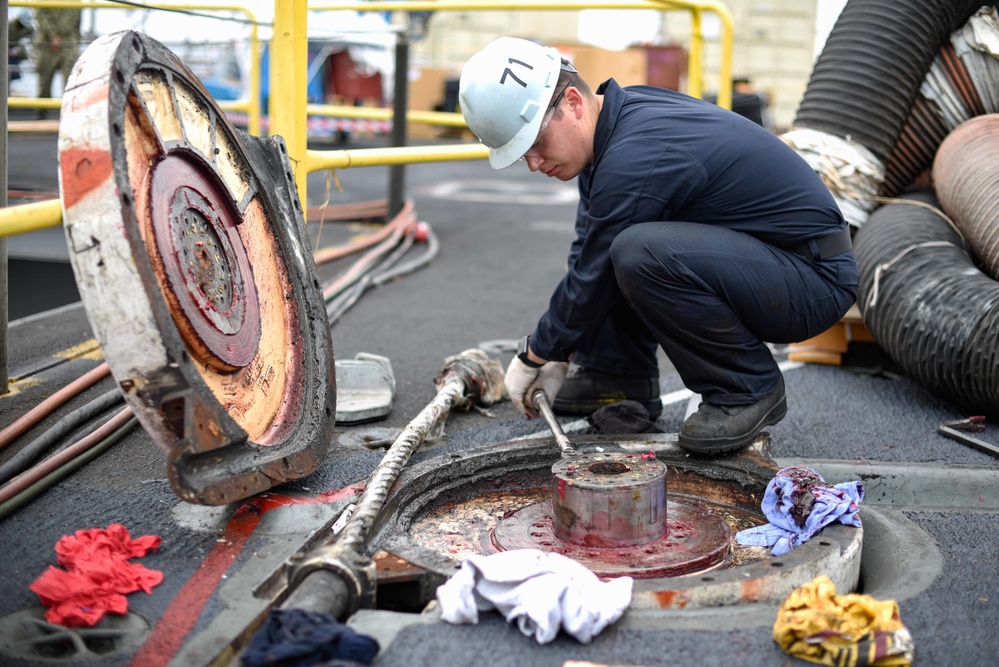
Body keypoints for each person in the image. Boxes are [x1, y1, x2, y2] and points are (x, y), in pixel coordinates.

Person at [458, 37, 857, 455]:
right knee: (619, 247)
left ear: (573, 102)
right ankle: (619, 375)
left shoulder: (635, 155)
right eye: (522, 155)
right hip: (777, 263)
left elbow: (596, 269)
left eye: (535, 144)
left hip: (811, 280)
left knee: (637, 252)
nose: (535, 163)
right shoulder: (615, 131)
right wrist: (561, 350)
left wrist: (537, 352)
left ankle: (746, 388)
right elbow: (587, 253)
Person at [32, 7, 82, 118]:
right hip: (46, 43)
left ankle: (71, 113)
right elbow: (40, 14)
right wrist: (52, 35)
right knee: (44, 82)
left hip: (68, 43)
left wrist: (58, 36)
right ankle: (41, 113)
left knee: (71, 82)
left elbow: (73, 16)